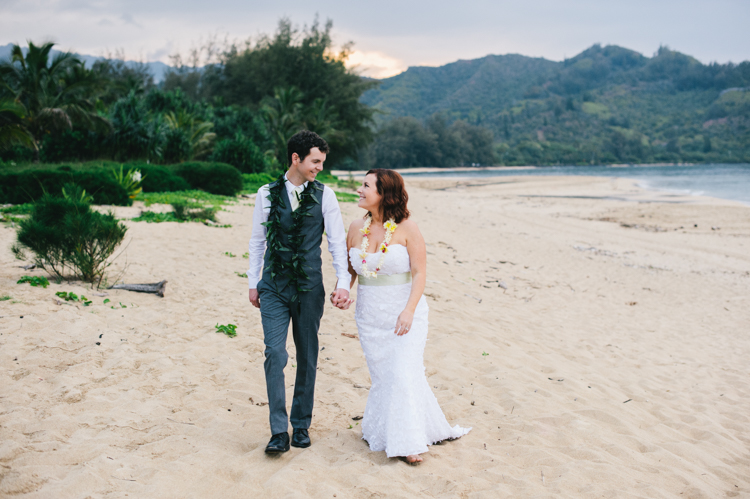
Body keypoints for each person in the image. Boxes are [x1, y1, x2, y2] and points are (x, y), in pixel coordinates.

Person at [337, 168, 470, 464]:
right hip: (370, 315)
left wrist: (408, 310)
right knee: (386, 376)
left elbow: (420, 272)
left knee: (402, 372)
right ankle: (386, 429)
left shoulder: (407, 227)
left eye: (366, 185)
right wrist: (342, 290)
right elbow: (349, 271)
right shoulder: (357, 226)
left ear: (384, 193)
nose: (360, 190)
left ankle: (409, 442)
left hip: (404, 312)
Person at [247, 130, 351, 454]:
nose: (319, 167)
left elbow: (335, 242)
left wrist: (343, 282)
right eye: (315, 161)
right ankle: (279, 431)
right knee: (274, 354)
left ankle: (301, 425)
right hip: (274, 287)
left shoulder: (326, 196)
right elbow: (257, 241)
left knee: (307, 356)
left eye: (322, 162)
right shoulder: (266, 194)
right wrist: (253, 281)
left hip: (309, 287)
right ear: (296, 158)